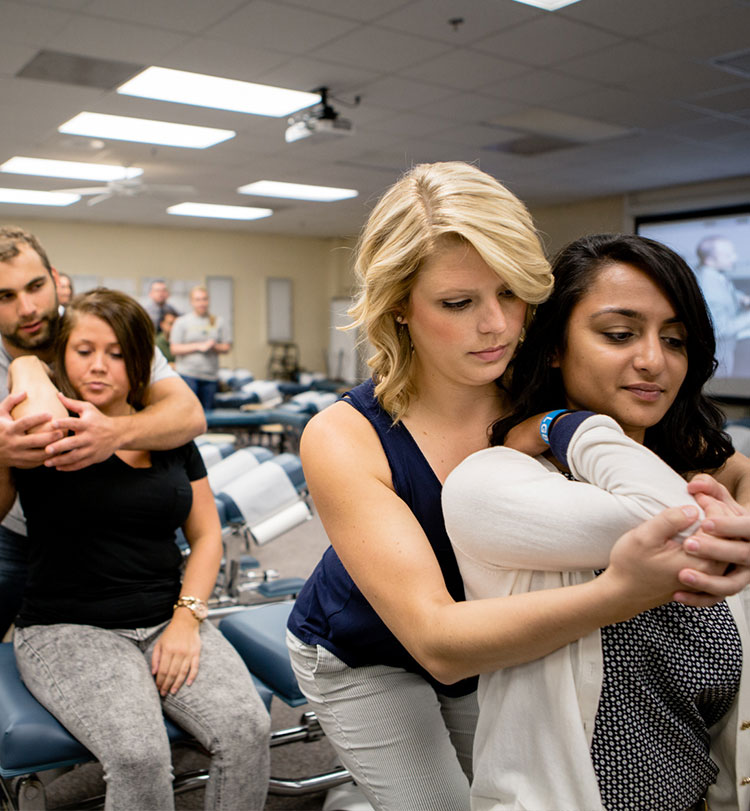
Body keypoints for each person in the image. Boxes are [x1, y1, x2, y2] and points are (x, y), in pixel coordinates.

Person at [285, 163, 750, 811]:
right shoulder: (345, 435)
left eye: (512, 293)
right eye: (458, 303)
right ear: (399, 305)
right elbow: (438, 641)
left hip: (500, 642)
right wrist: (620, 591)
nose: (498, 325)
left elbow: (717, 468)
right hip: (371, 652)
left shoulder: (548, 386)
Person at [442, 233, 750, 811]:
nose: (653, 360)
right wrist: (570, 423)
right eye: (619, 334)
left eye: (675, 339)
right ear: (555, 345)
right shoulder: (491, 481)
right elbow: (672, 523)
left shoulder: (694, 473)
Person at [6, 288, 270, 810]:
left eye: (118, 353)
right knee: (139, 756)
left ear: (143, 361)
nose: (99, 366)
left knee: (248, 728)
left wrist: (186, 620)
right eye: (84, 351)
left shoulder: (168, 433)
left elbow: (207, 535)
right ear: (63, 355)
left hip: (163, 618)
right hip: (68, 628)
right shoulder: (44, 430)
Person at [0, 225, 205, 640]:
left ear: (55, 278)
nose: (27, 308)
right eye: (5, 296)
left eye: (36, 286)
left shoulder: (100, 330)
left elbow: (189, 414)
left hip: (103, 531)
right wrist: (27, 368)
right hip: (16, 531)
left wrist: (112, 432)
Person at [695, 234, 750, 376]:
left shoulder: (712, 275)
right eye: (728, 255)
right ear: (709, 260)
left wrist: (742, 298)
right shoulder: (709, 286)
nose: (735, 258)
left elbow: (726, 292)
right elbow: (722, 328)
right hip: (719, 352)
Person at [170, 286, 231, 410]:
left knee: (208, 415)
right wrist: (198, 346)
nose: (201, 303)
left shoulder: (218, 321)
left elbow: (226, 347)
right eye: (198, 300)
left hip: (210, 376)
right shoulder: (182, 322)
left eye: (204, 299)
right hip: (188, 374)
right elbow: (174, 349)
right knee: (188, 412)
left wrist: (214, 346)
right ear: (192, 302)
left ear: (208, 301)